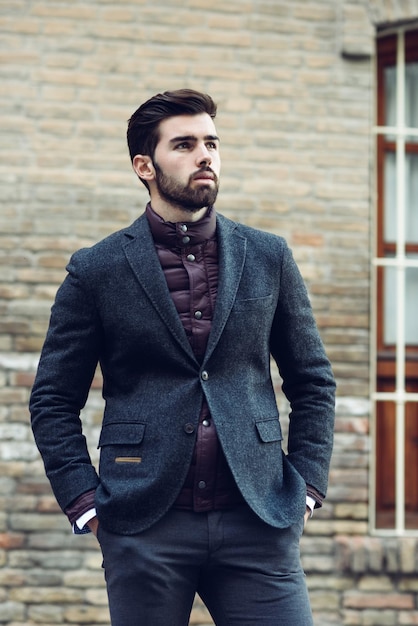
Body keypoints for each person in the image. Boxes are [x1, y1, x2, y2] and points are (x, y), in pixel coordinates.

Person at [30, 88, 336, 626]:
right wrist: (86, 504)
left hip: (258, 520)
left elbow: (312, 379)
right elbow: (54, 398)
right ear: (144, 165)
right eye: (186, 144)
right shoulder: (96, 269)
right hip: (144, 524)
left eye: (212, 143)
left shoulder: (268, 257)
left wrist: (306, 487)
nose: (206, 156)